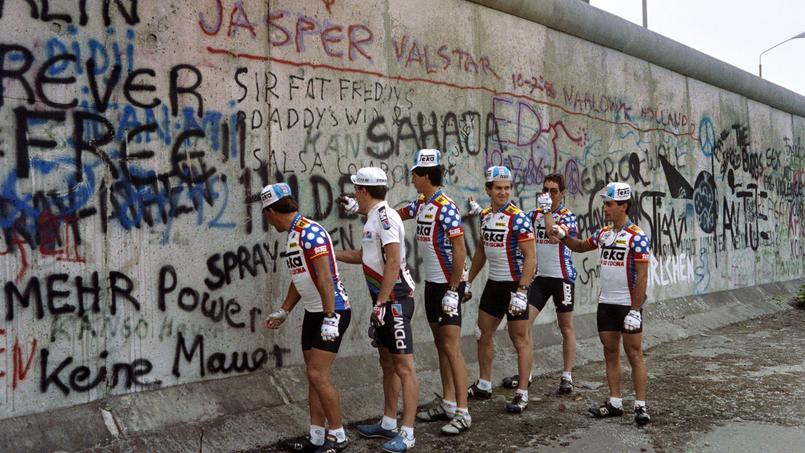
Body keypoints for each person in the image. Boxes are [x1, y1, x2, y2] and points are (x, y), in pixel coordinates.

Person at [551, 182, 651, 426]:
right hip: (606, 303)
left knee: (634, 353)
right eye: (605, 204)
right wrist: (563, 237)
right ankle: (615, 402)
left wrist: (635, 310)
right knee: (610, 352)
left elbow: (642, 276)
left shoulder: (637, 236)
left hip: (627, 304)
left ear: (623, 206)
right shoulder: (604, 233)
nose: (605, 208)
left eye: (609, 204)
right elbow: (580, 246)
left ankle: (640, 406)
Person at [261, 183, 352, 452]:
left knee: (317, 373)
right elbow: (300, 278)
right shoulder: (293, 234)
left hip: (332, 310)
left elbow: (325, 277)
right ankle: (316, 436)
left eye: (265, 214)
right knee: (313, 376)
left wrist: (330, 316)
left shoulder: (310, 232)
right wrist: (284, 310)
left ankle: (338, 435)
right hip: (314, 311)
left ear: (270, 212)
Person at [335, 167, 420, 452]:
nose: (353, 195)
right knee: (387, 362)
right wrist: (330, 253)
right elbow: (364, 256)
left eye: (356, 190)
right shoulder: (373, 216)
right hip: (384, 300)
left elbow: (393, 261)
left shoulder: (385, 218)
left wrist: (382, 302)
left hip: (394, 299)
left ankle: (408, 433)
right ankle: (388, 422)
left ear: (362, 190)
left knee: (404, 366)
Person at [394, 149, 471, 435]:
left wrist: (454, 289)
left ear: (426, 176)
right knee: (441, 345)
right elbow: (396, 215)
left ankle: (463, 412)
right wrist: (360, 208)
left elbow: (460, 250)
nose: (412, 179)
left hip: (447, 285)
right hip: (432, 285)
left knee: (452, 348)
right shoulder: (422, 203)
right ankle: (449, 402)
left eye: (415, 174)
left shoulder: (446, 207)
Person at [465, 166, 537, 414]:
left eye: (507, 188)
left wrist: (522, 291)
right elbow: (481, 251)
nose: (503, 192)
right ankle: (484, 384)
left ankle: (522, 393)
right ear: (488, 190)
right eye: (498, 188)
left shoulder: (518, 217)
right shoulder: (485, 215)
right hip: (494, 283)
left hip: (515, 285)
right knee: (482, 333)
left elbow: (531, 257)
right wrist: (468, 280)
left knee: (519, 338)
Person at [500, 173, 579, 395]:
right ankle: (527, 374)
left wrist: (546, 213)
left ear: (562, 193)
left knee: (565, 326)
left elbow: (554, 236)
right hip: (541, 278)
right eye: (545, 190)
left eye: (554, 191)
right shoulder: (533, 215)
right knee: (524, 324)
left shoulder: (567, 216)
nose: (549, 195)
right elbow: (515, 225)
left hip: (562, 277)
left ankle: (567, 375)